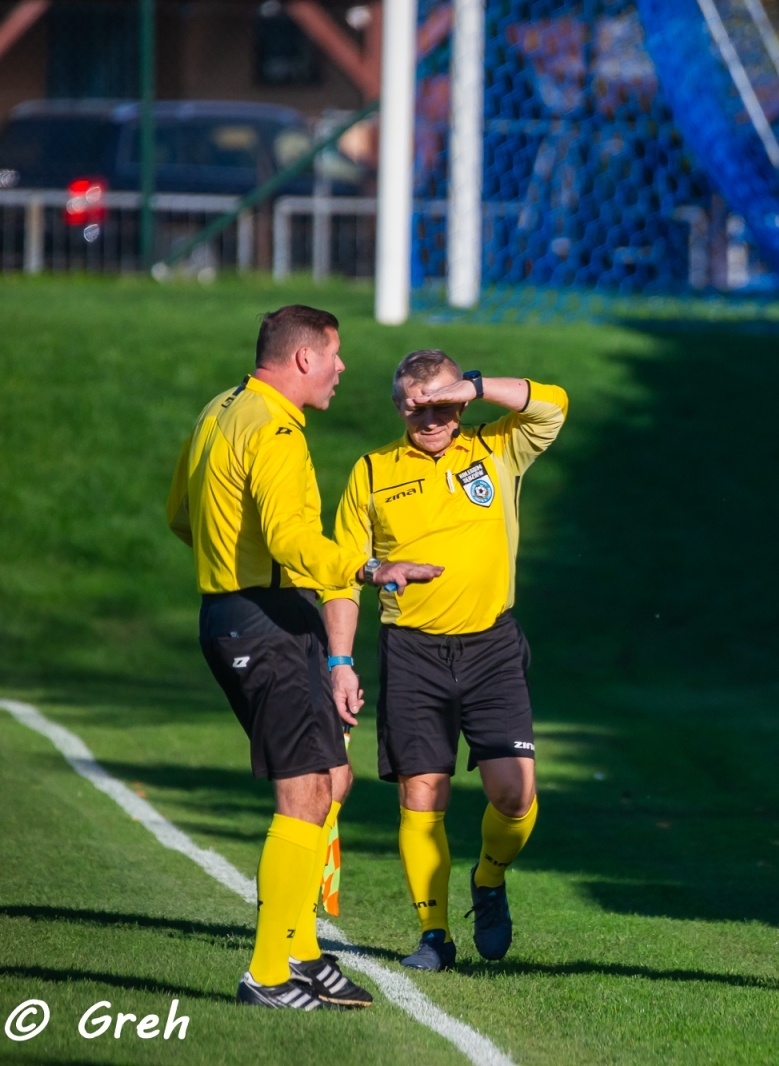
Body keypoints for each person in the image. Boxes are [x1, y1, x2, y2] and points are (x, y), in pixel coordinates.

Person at [166, 306, 442, 1009]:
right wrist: (371, 568)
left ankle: (305, 953)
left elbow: (180, 514)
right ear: (302, 359)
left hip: (250, 614)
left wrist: (229, 562)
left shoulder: (219, 409)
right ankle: (267, 973)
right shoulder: (275, 429)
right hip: (262, 621)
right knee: (303, 793)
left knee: (331, 779)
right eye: (334, 355)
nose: (342, 368)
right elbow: (291, 539)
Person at [323, 350, 567, 971]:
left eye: (442, 405)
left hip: (491, 647)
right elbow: (342, 575)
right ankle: (433, 935)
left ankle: (489, 880)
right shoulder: (372, 471)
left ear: (459, 402)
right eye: (416, 407)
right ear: (399, 406)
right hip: (412, 653)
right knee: (422, 794)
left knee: (515, 796)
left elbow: (553, 405)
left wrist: (476, 387)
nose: (430, 419)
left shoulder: (497, 447)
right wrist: (340, 661)